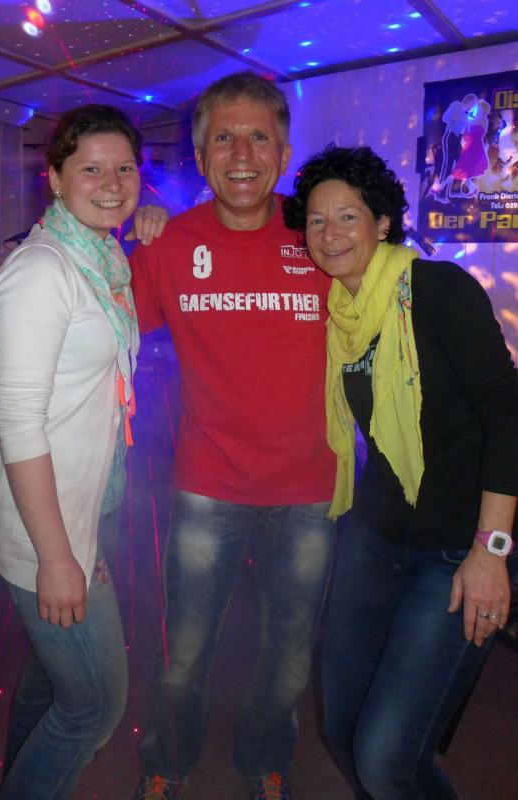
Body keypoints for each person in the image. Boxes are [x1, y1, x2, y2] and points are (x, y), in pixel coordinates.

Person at [282, 144, 518, 800]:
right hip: (373, 538)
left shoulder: (436, 290)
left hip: (456, 550)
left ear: (382, 221)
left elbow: (506, 413)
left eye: (347, 216)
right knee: (342, 728)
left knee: (386, 759)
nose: (330, 234)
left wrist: (491, 551)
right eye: (317, 220)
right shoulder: (339, 312)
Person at [130, 72, 337, 800]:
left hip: (309, 491)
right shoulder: (168, 244)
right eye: (224, 137)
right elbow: (92, 328)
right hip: (206, 487)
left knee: (289, 655)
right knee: (185, 652)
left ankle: (264, 758)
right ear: (199, 154)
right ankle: (167, 761)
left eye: (258, 137)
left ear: (283, 152)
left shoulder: (322, 238)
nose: (242, 153)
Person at [0, 103, 155, 800]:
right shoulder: (42, 270)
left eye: (125, 169)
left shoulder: (100, 256)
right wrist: (58, 559)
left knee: (49, 678)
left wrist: (156, 215)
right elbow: (20, 420)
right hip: (46, 528)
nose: (111, 183)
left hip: (84, 505)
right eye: (90, 169)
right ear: (54, 178)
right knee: (94, 706)